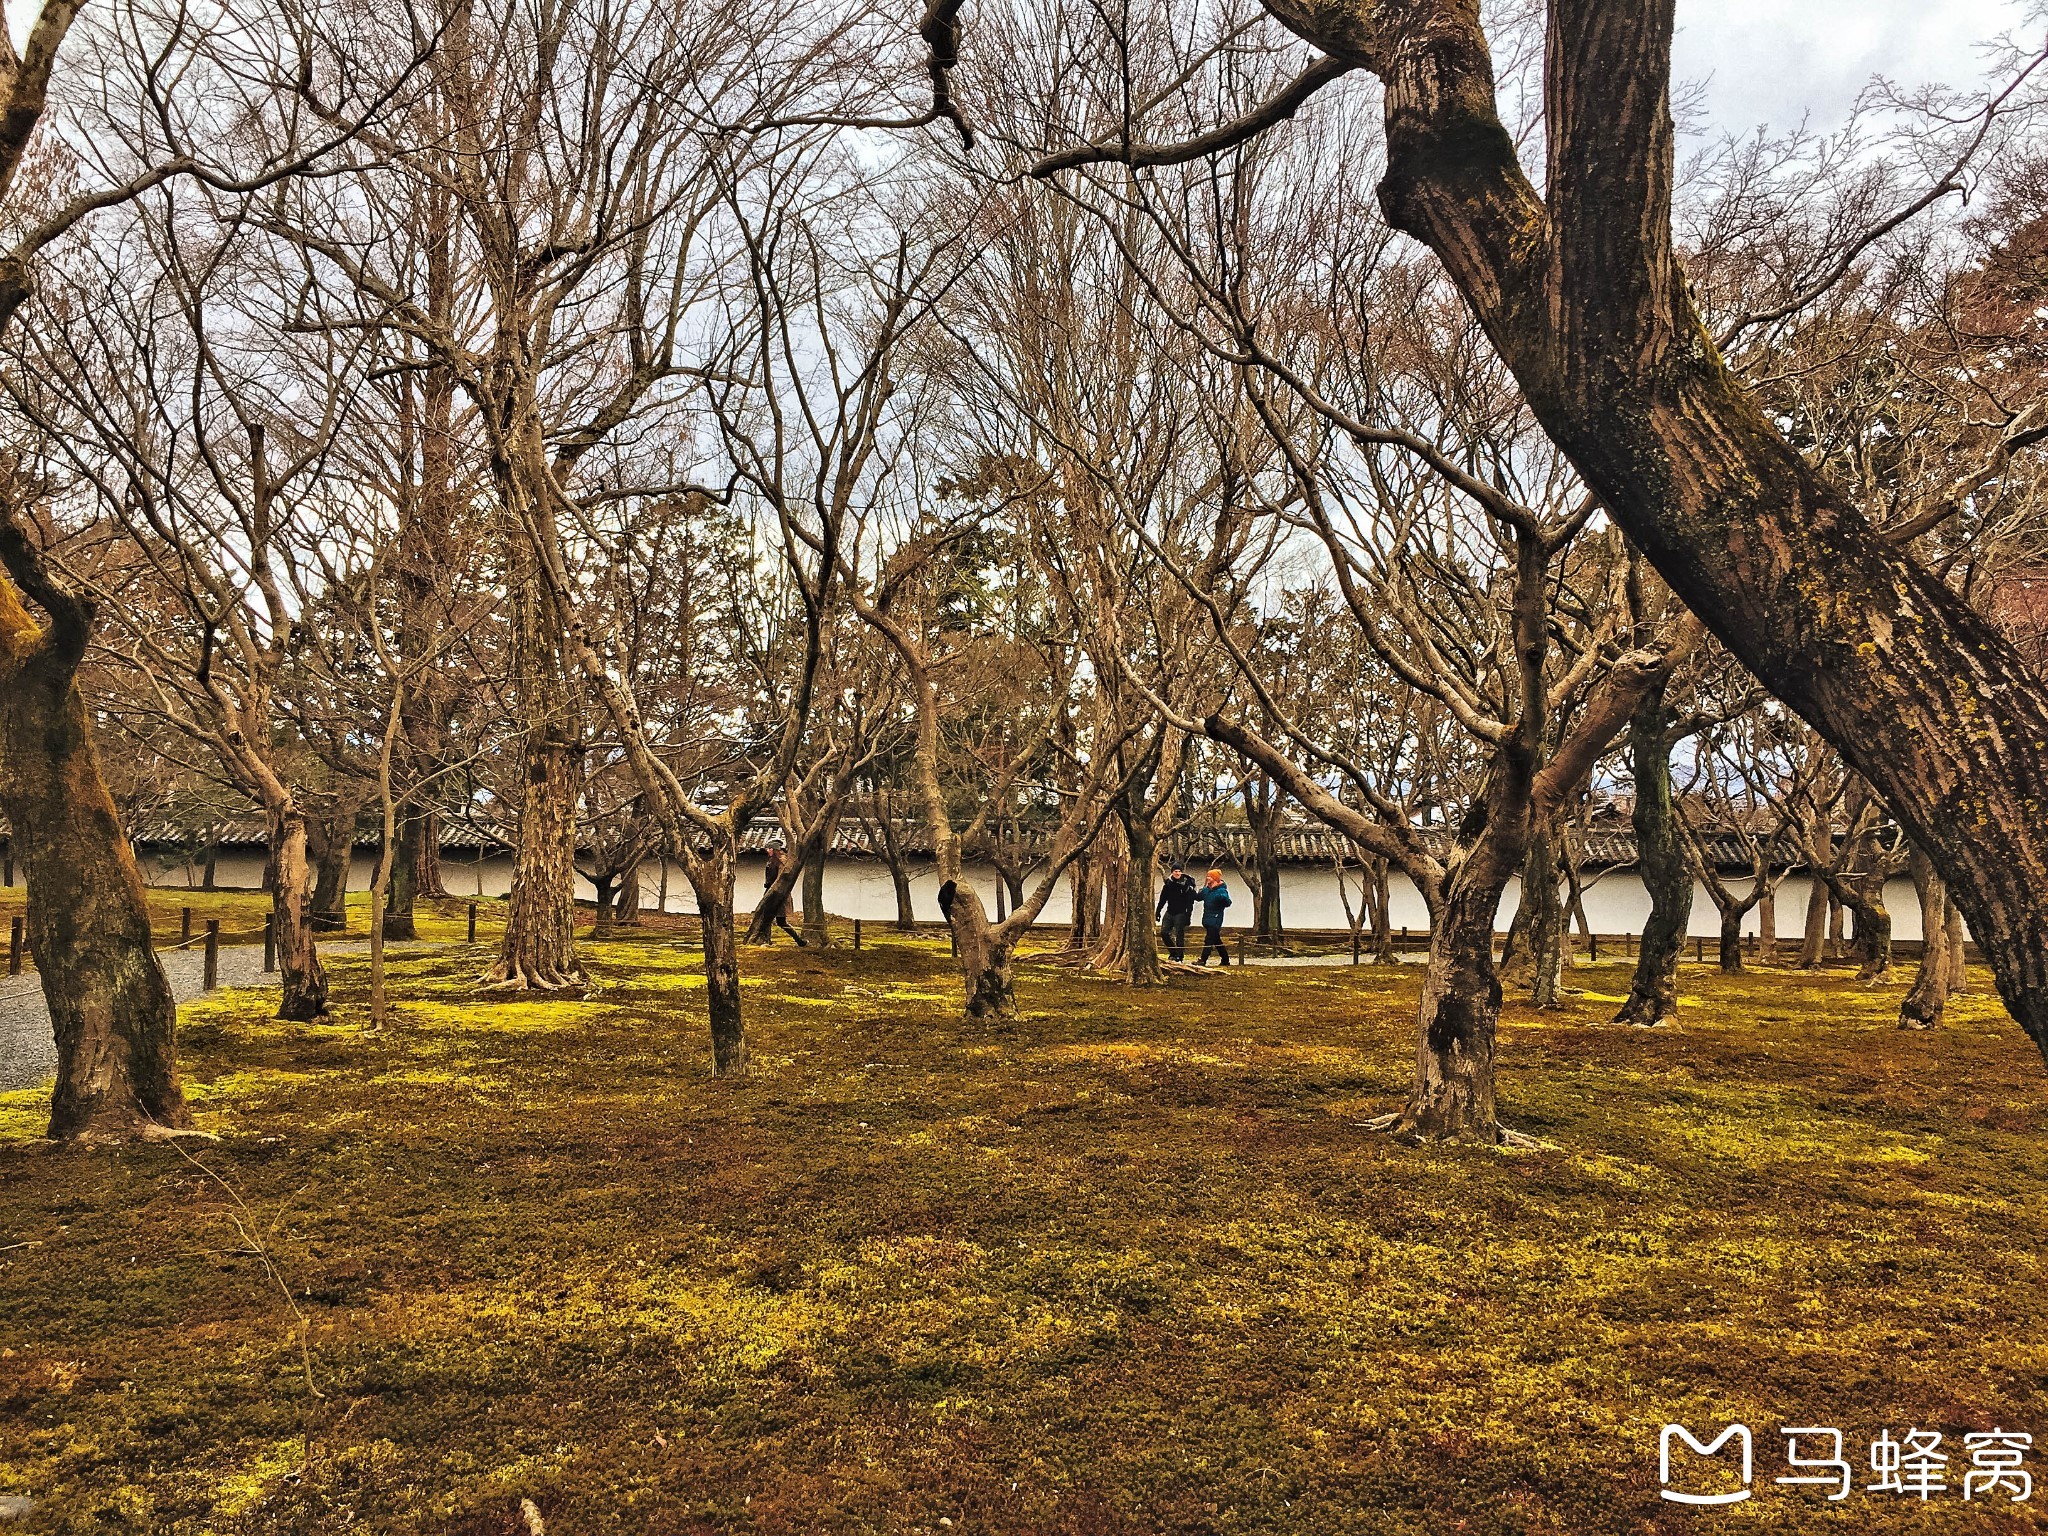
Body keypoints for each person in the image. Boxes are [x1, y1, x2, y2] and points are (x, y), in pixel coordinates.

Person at [759, 843, 804, 946]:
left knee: (780, 921)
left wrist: (774, 888)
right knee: (765, 918)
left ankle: (799, 940)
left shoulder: (781, 860)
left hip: (778, 893)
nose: (767, 851)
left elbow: (781, 878)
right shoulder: (771, 860)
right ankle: (765, 940)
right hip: (770, 891)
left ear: (775, 849)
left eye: (769, 848)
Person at [1156, 862, 1198, 962]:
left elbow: (1190, 901)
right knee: (1164, 932)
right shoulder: (1168, 884)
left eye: (1179, 871)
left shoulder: (1187, 884)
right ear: (1172, 872)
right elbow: (1162, 899)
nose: (1177, 873)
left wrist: (1188, 915)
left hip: (1182, 912)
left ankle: (1180, 955)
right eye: (1176, 871)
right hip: (1170, 911)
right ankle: (1173, 952)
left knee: (1179, 934)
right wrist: (1158, 912)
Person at [1197, 868, 1232, 966]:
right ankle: (1225, 959)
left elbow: (1228, 903)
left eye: (1210, 877)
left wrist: (1223, 899)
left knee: (1209, 940)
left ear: (1215, 878)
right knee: (1216, 940)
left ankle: (1203, 959)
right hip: (1207, 919)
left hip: (1216, 919)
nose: (1207, 878)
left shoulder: (1221, 890)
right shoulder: (1207, 890)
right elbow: (1198, 897)